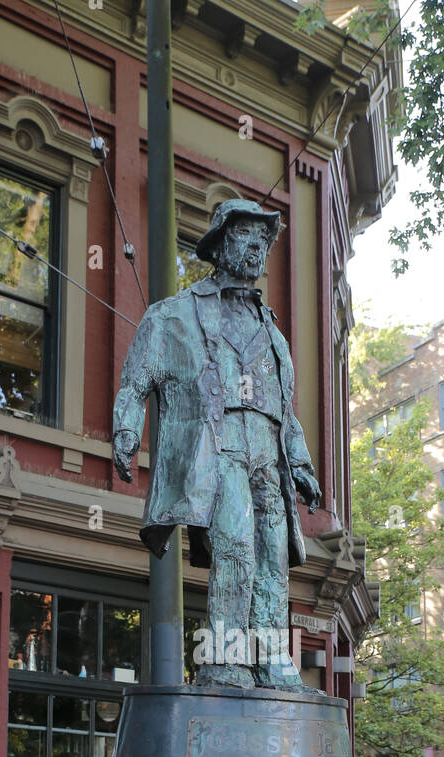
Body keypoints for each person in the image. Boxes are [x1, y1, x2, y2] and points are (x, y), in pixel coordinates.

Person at [112, 198, 322, 690]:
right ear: (220, 243)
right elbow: (136, 380)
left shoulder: (273, 333)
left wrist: (302, 463)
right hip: (219, 448)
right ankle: (225, 661)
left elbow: (284, 407)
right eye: (245, 235)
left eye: (263, 240)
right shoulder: (176, 315)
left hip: (268, 455)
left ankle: (271, 660)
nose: (256, 247)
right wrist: (126, 430)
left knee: (272, 556)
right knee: (234, 549)